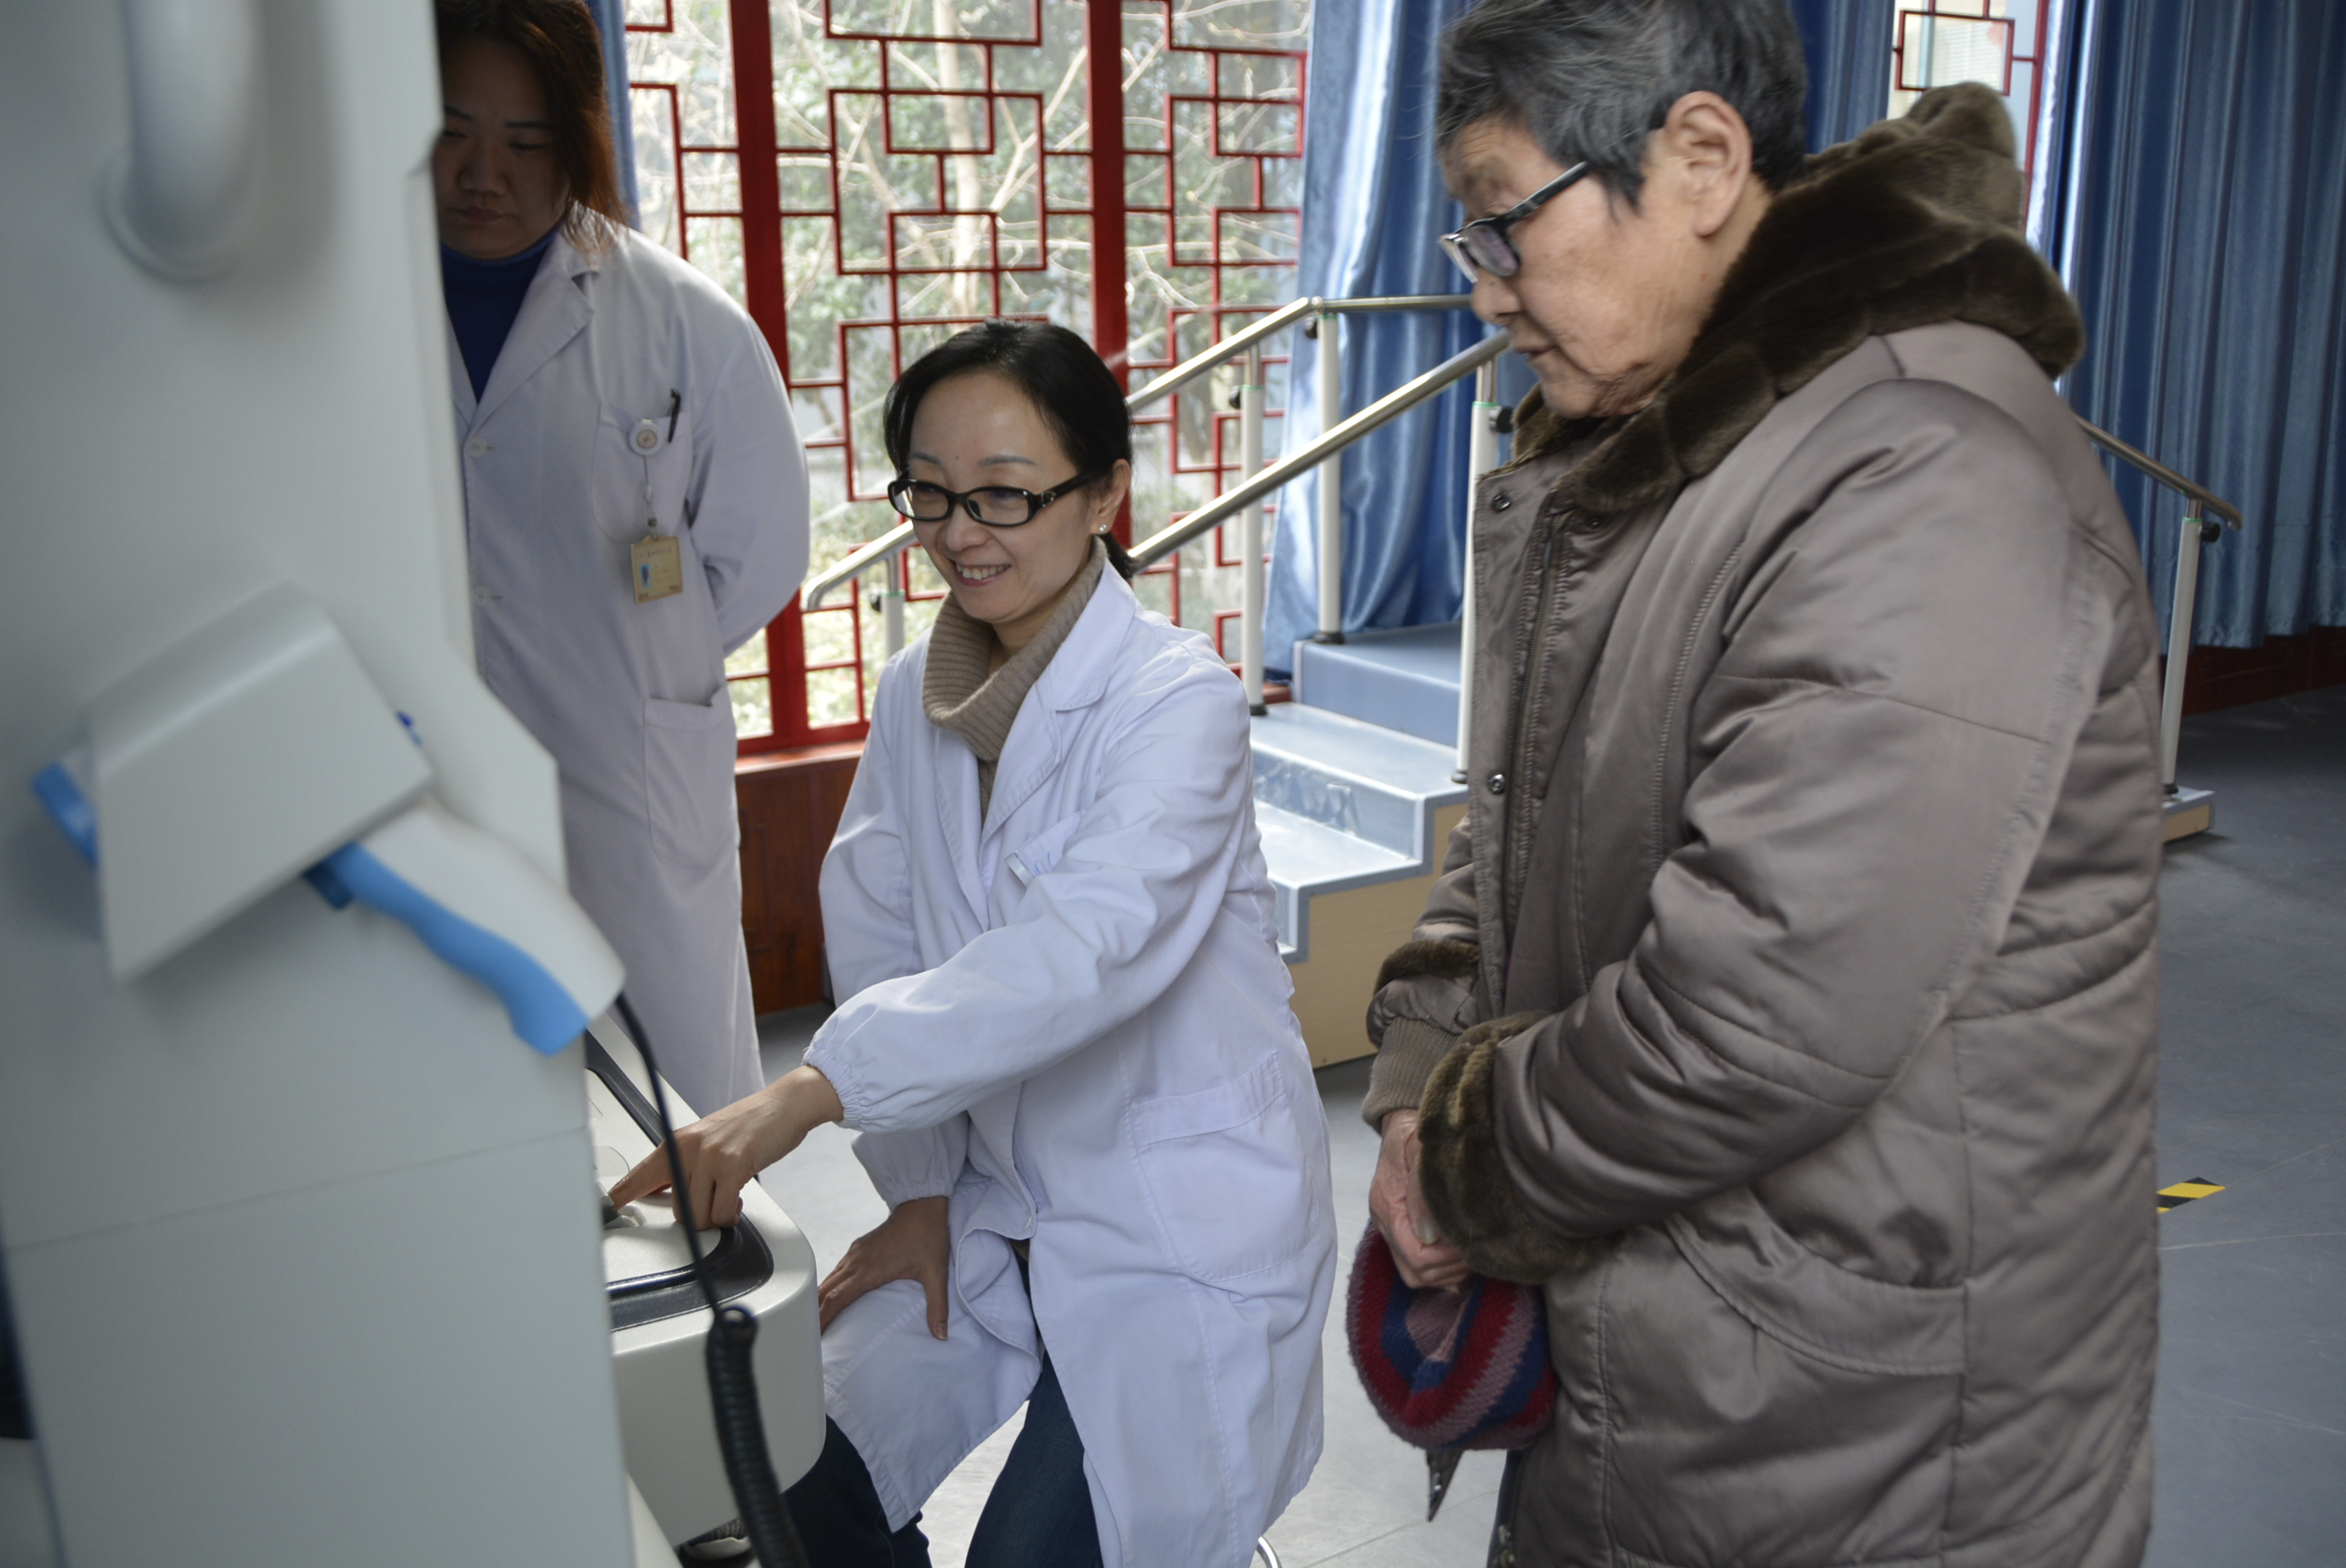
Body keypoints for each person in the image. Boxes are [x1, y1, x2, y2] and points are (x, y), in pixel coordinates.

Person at [1359, 2, 2163, 1565]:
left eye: (1505, 225)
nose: (1486, 291)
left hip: (1857, 1424)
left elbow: (1753, 1016)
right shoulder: (1679, 434)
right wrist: (1421, 1060)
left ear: (1702, 159)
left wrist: (1461, 1162)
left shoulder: (1921, 468)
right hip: (1681, 1368)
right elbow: (1516, 818)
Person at [609, 321, 1338, 1568]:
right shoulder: (917, 691)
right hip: (997, 1206)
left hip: (1176, 1228)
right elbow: (878, 926)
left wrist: (808, 1092)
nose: (960, 533)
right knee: (787, 1462)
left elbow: (1083, 953)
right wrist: (923, 1195)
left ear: (1103, 494)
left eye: (1005, 493)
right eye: (933, 494)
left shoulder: (1178, 702)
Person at [434, 0, 808, 1119]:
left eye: (526, 140)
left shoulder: (684, 320)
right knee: (460, 1082)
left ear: (580, 139)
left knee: (672, 1090)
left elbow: (760, 551)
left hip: (629, 766)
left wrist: (640, 658)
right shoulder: (349, 311)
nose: (484, 174)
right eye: (453, 133)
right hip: (423, 756)